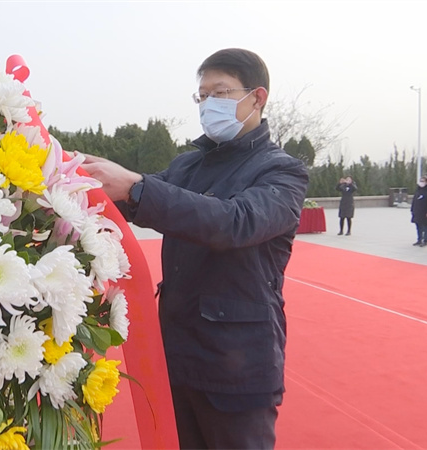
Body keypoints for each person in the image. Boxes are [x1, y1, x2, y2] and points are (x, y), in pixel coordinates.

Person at [81, 48, 309, 449]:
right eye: (202, 97)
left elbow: (234, 222)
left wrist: (136, 187)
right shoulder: (188, 166)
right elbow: (134, 196)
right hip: (178, 354)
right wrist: (76, 172)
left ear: (257, 97)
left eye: (219, 93)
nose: (208, 105)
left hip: (238, 366)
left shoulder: (281, 171)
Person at [411, 176, 427, 246]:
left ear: (426, 182)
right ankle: (419, 239)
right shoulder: (418, 190)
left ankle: (425, 240)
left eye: (423, 181)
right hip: (417, 211)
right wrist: (412, 209)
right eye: (420, 181)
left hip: (425, 211)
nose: (421, 183)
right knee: (418, 226)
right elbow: (414, 200)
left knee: (425, 226)